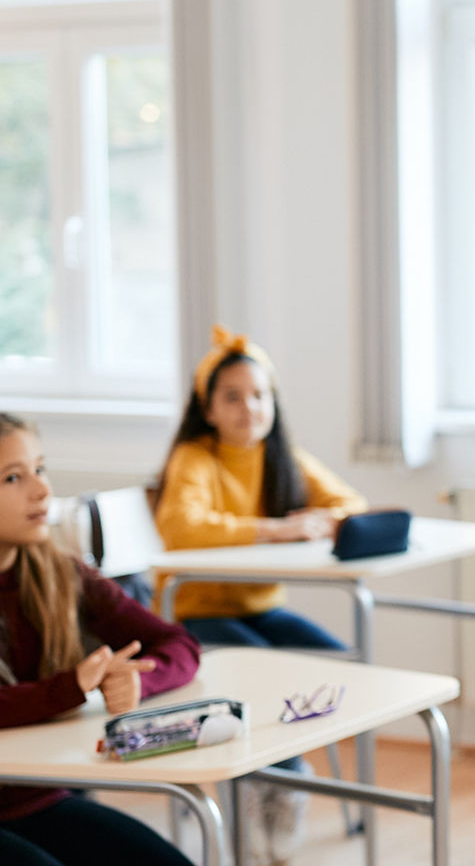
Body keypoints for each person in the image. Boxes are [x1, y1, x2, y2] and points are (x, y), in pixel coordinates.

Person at [153, 325, 369, 863]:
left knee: (334, 659)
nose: (248, 407)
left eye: (258, 394)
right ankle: (275, 777)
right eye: (232, 397)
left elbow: (353, 504)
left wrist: (324, 517)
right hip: (193, 613)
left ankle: (283, 774)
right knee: (268, 669)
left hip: (261, 608)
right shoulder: (195, 458)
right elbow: (183, 526)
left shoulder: (282, 455)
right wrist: (277, 529)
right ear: (207, 408)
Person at [0, 413, 201, 866]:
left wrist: (136, 683)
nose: (41, 490)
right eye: (13, 477)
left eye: (40, 468)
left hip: (38, 800)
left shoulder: (62, 573)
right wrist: (69, 688)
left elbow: (178, 643)